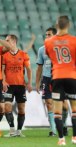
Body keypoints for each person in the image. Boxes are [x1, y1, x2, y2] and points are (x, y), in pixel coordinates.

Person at [45, 15, 76, 146]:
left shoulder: (48, 41)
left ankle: (61, 139)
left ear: (56, 25)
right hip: (72, 76)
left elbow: (50, 57)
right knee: (74, 109)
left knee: (57, 110)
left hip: (57, 76)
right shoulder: (74, 40)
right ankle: (74, 138)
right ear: (68, 25)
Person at [2, 34, 32, 137]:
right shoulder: (4, 55)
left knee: (21, 109)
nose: (5, 43)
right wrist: (3, 81)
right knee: (7, 107)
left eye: (7, 41)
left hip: (20, 86)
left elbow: (28, 69)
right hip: (9, 86)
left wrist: (29, 82)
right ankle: (12, 130)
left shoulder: (23, 55)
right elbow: (2, 70)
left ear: (14, 42)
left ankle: (19, 131)